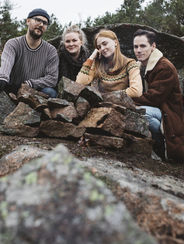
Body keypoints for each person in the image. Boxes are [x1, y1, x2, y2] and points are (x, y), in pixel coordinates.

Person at [132, 29, 184, 162]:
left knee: (141, 113)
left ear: (153, 46)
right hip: (158, 110)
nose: (138, 50)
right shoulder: (138, 66)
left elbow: (153, 98)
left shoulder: (164, 67)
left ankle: (161, 145)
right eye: (135, 46)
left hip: (169, 113)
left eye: (143, 46)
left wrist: (127, 99)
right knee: (135, 112)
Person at [0, 8, 59, 97]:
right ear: (28, 21)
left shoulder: (51, 51)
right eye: (38, 20)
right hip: (11, 84)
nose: (41, 24)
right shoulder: (13, 43)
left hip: (34, 89)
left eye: (45, 23)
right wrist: (3, 78)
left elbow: (52, 78)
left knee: (50, 92)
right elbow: (6, 64)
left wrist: (29, 83)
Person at [76, 29, 142, 97]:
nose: (103, 48)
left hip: (123, 105)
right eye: (99, 47)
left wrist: (107, 96)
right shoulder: (98, 64)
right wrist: (91, 58)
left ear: (115, 42)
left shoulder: (130, 64)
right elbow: (79, 83)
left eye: (105, 44)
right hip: (102, 105)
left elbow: (136, 91)